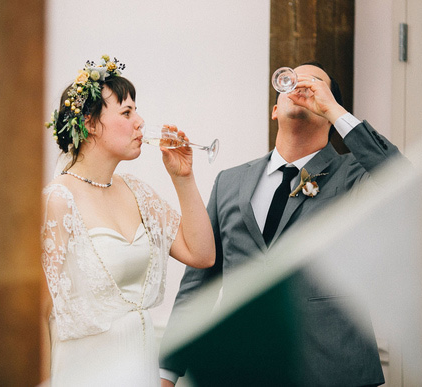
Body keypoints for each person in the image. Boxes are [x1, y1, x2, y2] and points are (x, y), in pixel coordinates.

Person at [160, 62, 402, 386]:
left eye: (315, 83)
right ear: (275, 109)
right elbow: (197, 286)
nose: (302, 87)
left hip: (332, 373)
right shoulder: (230, 182)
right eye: (292, 81)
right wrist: (167, 372)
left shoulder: (354, 175)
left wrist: (331, 107)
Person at [40, 55, 216, 386]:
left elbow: (202, 254)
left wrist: (184, 178)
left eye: (136, 110)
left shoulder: (137, 191)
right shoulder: (57, 200)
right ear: (90, 124)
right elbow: (40, 312)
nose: (140, 121)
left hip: (140, 366)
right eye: (126, 112)